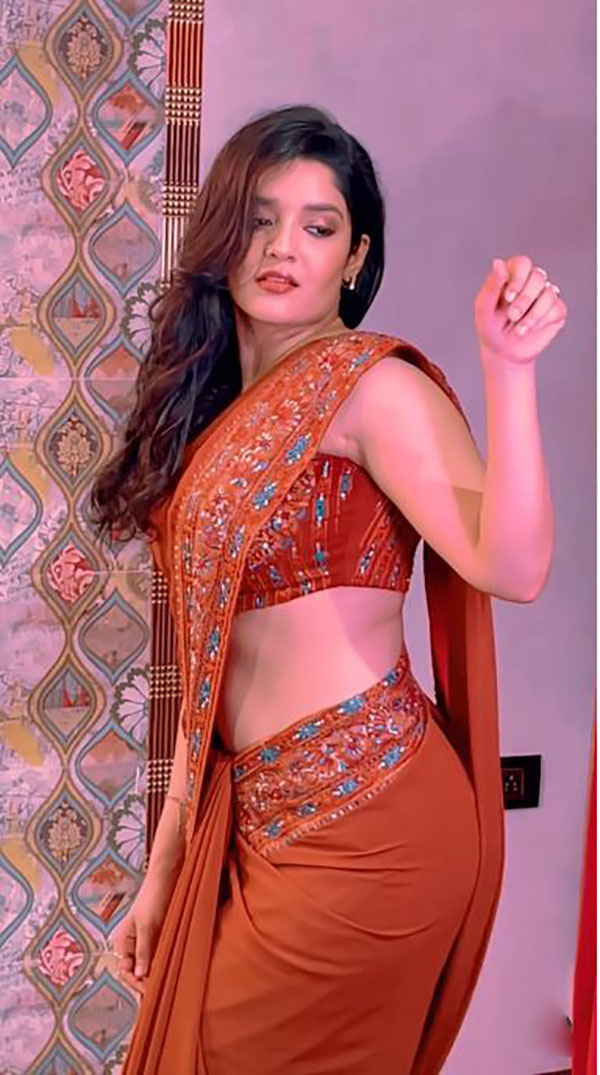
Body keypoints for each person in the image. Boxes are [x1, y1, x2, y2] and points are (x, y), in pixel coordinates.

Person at [91, 104, 566, 1074]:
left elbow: (512, 566)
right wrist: (164, 870)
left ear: (355, 258)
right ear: (223, 234)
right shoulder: (215, 413)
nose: (283, 247)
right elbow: (207, 665)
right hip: (252, 823)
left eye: (318, 226)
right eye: (261, 219)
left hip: (370, 826)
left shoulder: (368, 385)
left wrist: (509, 369)